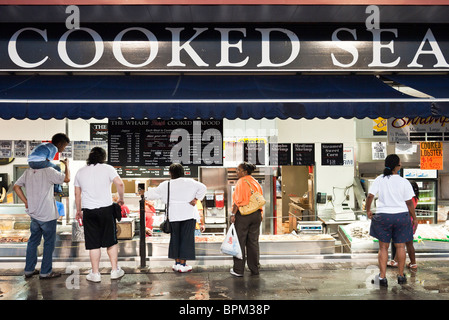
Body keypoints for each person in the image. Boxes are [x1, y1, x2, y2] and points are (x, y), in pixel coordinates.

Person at [74, 147, 125, 283]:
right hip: (106, 210)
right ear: (103, 157)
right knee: (111, 241)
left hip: (89, 211)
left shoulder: (80, 171)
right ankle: (115, 271)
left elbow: (77, 194)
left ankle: (95, 274)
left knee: (93, 243)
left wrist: (78, 211)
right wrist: (121, 198)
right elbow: (119, 183)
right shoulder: (108, 168)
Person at [365, 154, 418, 287]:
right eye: (400, 164)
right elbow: (409, 203)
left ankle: (382, 278)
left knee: (383, 247)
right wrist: (415, 218)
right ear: (397, 166)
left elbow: (370, 196)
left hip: (383, 217)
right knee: (400, 246)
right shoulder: (403, 181)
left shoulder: (379, 179)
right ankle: (400, 276)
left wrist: (368, 210)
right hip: (402, 217)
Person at [13, 158, 70, 279]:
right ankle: (45, 272)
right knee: (48, 244)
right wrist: (67, 165)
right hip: (47, 215)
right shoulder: (49, 171)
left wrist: (26, 202)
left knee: (33, 242)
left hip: (34, 215)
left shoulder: (28, 172)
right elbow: (67, 179)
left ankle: (29, 270)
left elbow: (16, 187)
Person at [144, 163, 206, 273]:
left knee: (175, 239)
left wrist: (143, 194)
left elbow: (152, 194)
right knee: (186, 239)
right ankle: (183, 265)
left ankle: (177, 263)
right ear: (183, 172)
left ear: (170, 173)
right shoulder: (190, 182)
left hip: (174, 215)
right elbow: (203, 187)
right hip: (188, 215)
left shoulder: (166, 184)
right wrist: (196, 198)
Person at [230, 162, 263, 277]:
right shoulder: (255, 182)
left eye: (238, 170)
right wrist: (261, 213)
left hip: (244, 215)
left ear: (244, 172)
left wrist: (233, 214)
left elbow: (237, 201)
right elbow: (259, 199)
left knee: (239, 242)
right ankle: (254, 269)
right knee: (253, 242)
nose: (237, 172)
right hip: (256, 215)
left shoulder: (241, 182)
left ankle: (238, 270)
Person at [388, 180, 419, 271]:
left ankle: (398, 262)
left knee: (402, 244)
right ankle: (412, 263)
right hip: (410, 222)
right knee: (407, 243)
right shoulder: (415, 198)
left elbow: (407, 209)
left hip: (406, 222)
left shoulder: (410, 199)